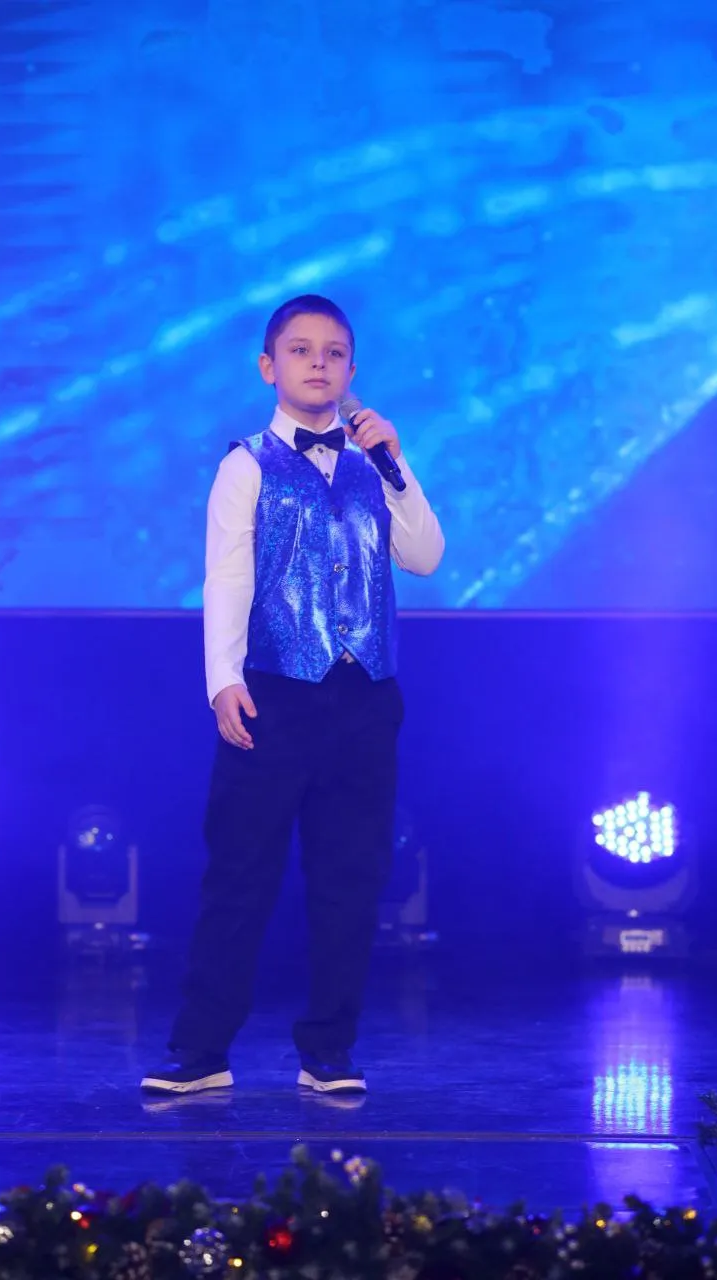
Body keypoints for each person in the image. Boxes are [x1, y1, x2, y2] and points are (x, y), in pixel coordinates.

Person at [142, 294, 444, 1095]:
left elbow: (425, 557)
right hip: (274, 695)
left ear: (351, 370)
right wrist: (222, 680)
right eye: (301, 350)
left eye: (334, 352)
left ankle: (328, 1050)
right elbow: (226, 576)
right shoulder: (245, 465)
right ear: (268, 367)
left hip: (363, 698)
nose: (318, 363)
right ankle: (200, 1052)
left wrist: (396, 465)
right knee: (239, 877)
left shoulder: (374, 466)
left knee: (351, 879)